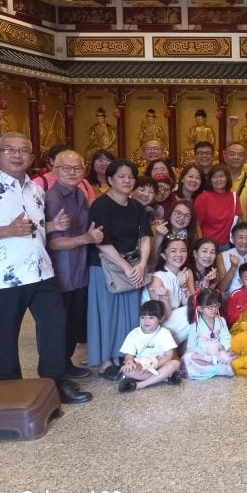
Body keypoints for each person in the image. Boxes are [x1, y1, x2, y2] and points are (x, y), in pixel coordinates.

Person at [0, 133, 92, 404]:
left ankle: (55, 382)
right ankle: (10, 391)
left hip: (41, 272)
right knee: (6, 337)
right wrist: (8, 229)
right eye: (10, 150)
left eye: (23, 151)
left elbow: (36, 228)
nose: (17, 155)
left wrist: (54, 227)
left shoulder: (37, 190)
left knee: (54, 327)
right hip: (6, 279)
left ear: (31, 157)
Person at [87, 158, 152, 381]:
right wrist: (125, 266)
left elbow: (145, 236)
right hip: (106, 267)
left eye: (130, 176)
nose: (126, 180)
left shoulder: (136, 206)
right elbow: (101, 241)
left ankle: (122, 357)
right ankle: (106, 362)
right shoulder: (100, 205)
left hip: (133, 268)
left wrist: (141, 264)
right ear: (111, 178)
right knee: (108, 314)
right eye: (121, 176)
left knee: (129, 314)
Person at [45, 149, 104, 378]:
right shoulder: (52, 197)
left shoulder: (80, 194)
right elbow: (53, 243)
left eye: (77, 168)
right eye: (66, 168)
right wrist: (86, 239)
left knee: (72, 322)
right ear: (54, 170)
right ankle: (56, 374)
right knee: (57, 325)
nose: (72, 172)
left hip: (79, 271)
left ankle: (66, 365)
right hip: (61, 273)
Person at [117, 300, 182, 393]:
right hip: (140, 367)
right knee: (126, 371)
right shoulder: (134, 333)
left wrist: (155, 366)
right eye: (143, 317)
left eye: (151, 318)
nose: (146, 321)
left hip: (158, 366)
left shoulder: (165, 333)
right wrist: (129, 362)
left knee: (175, 363)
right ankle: (164, 378)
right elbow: (129, 354)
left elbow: (169, 355)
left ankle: (140, 385)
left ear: (161, 318)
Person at [142, 235, 194, 347]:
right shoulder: (157, 278)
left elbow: (189, 302)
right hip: (159, 324)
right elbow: (162, 316)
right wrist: (164, 297)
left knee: (200, 309)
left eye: (183, 251)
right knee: (198, 312)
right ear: (164, 255)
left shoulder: (187, 272)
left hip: (176, 320)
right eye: (173, 251)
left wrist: (183, 285)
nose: (179, 255)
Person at [182, 288, 235, 380]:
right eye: (210, 307)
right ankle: (219, 369)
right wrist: (203, 355)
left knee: (235, 354)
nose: (214, 309)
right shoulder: (195, 325)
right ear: (200, 308)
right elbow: (191, 346)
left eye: (216, 306)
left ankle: (217, 366)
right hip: (203, 354)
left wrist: (229, 348)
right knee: (188, 357)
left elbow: (225, 337)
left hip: (218, 351)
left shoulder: (221, 320)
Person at [193, 165, 240, 250]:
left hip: (227, 245)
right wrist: (201, 245)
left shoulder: (234, 197)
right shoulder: (203, 198)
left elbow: (237, 222)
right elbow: (196, 225)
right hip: (207, 245)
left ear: (227, 178)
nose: (218, 180)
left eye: (221, 176)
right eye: (214, 177)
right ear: (210, 180)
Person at [222, 141, 247, 220]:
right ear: (224, 156)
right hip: (220, 230)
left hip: (244, 229)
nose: (236, 157)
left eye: (240, 155)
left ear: (246, 158)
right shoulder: (216, 180)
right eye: (232, 154)